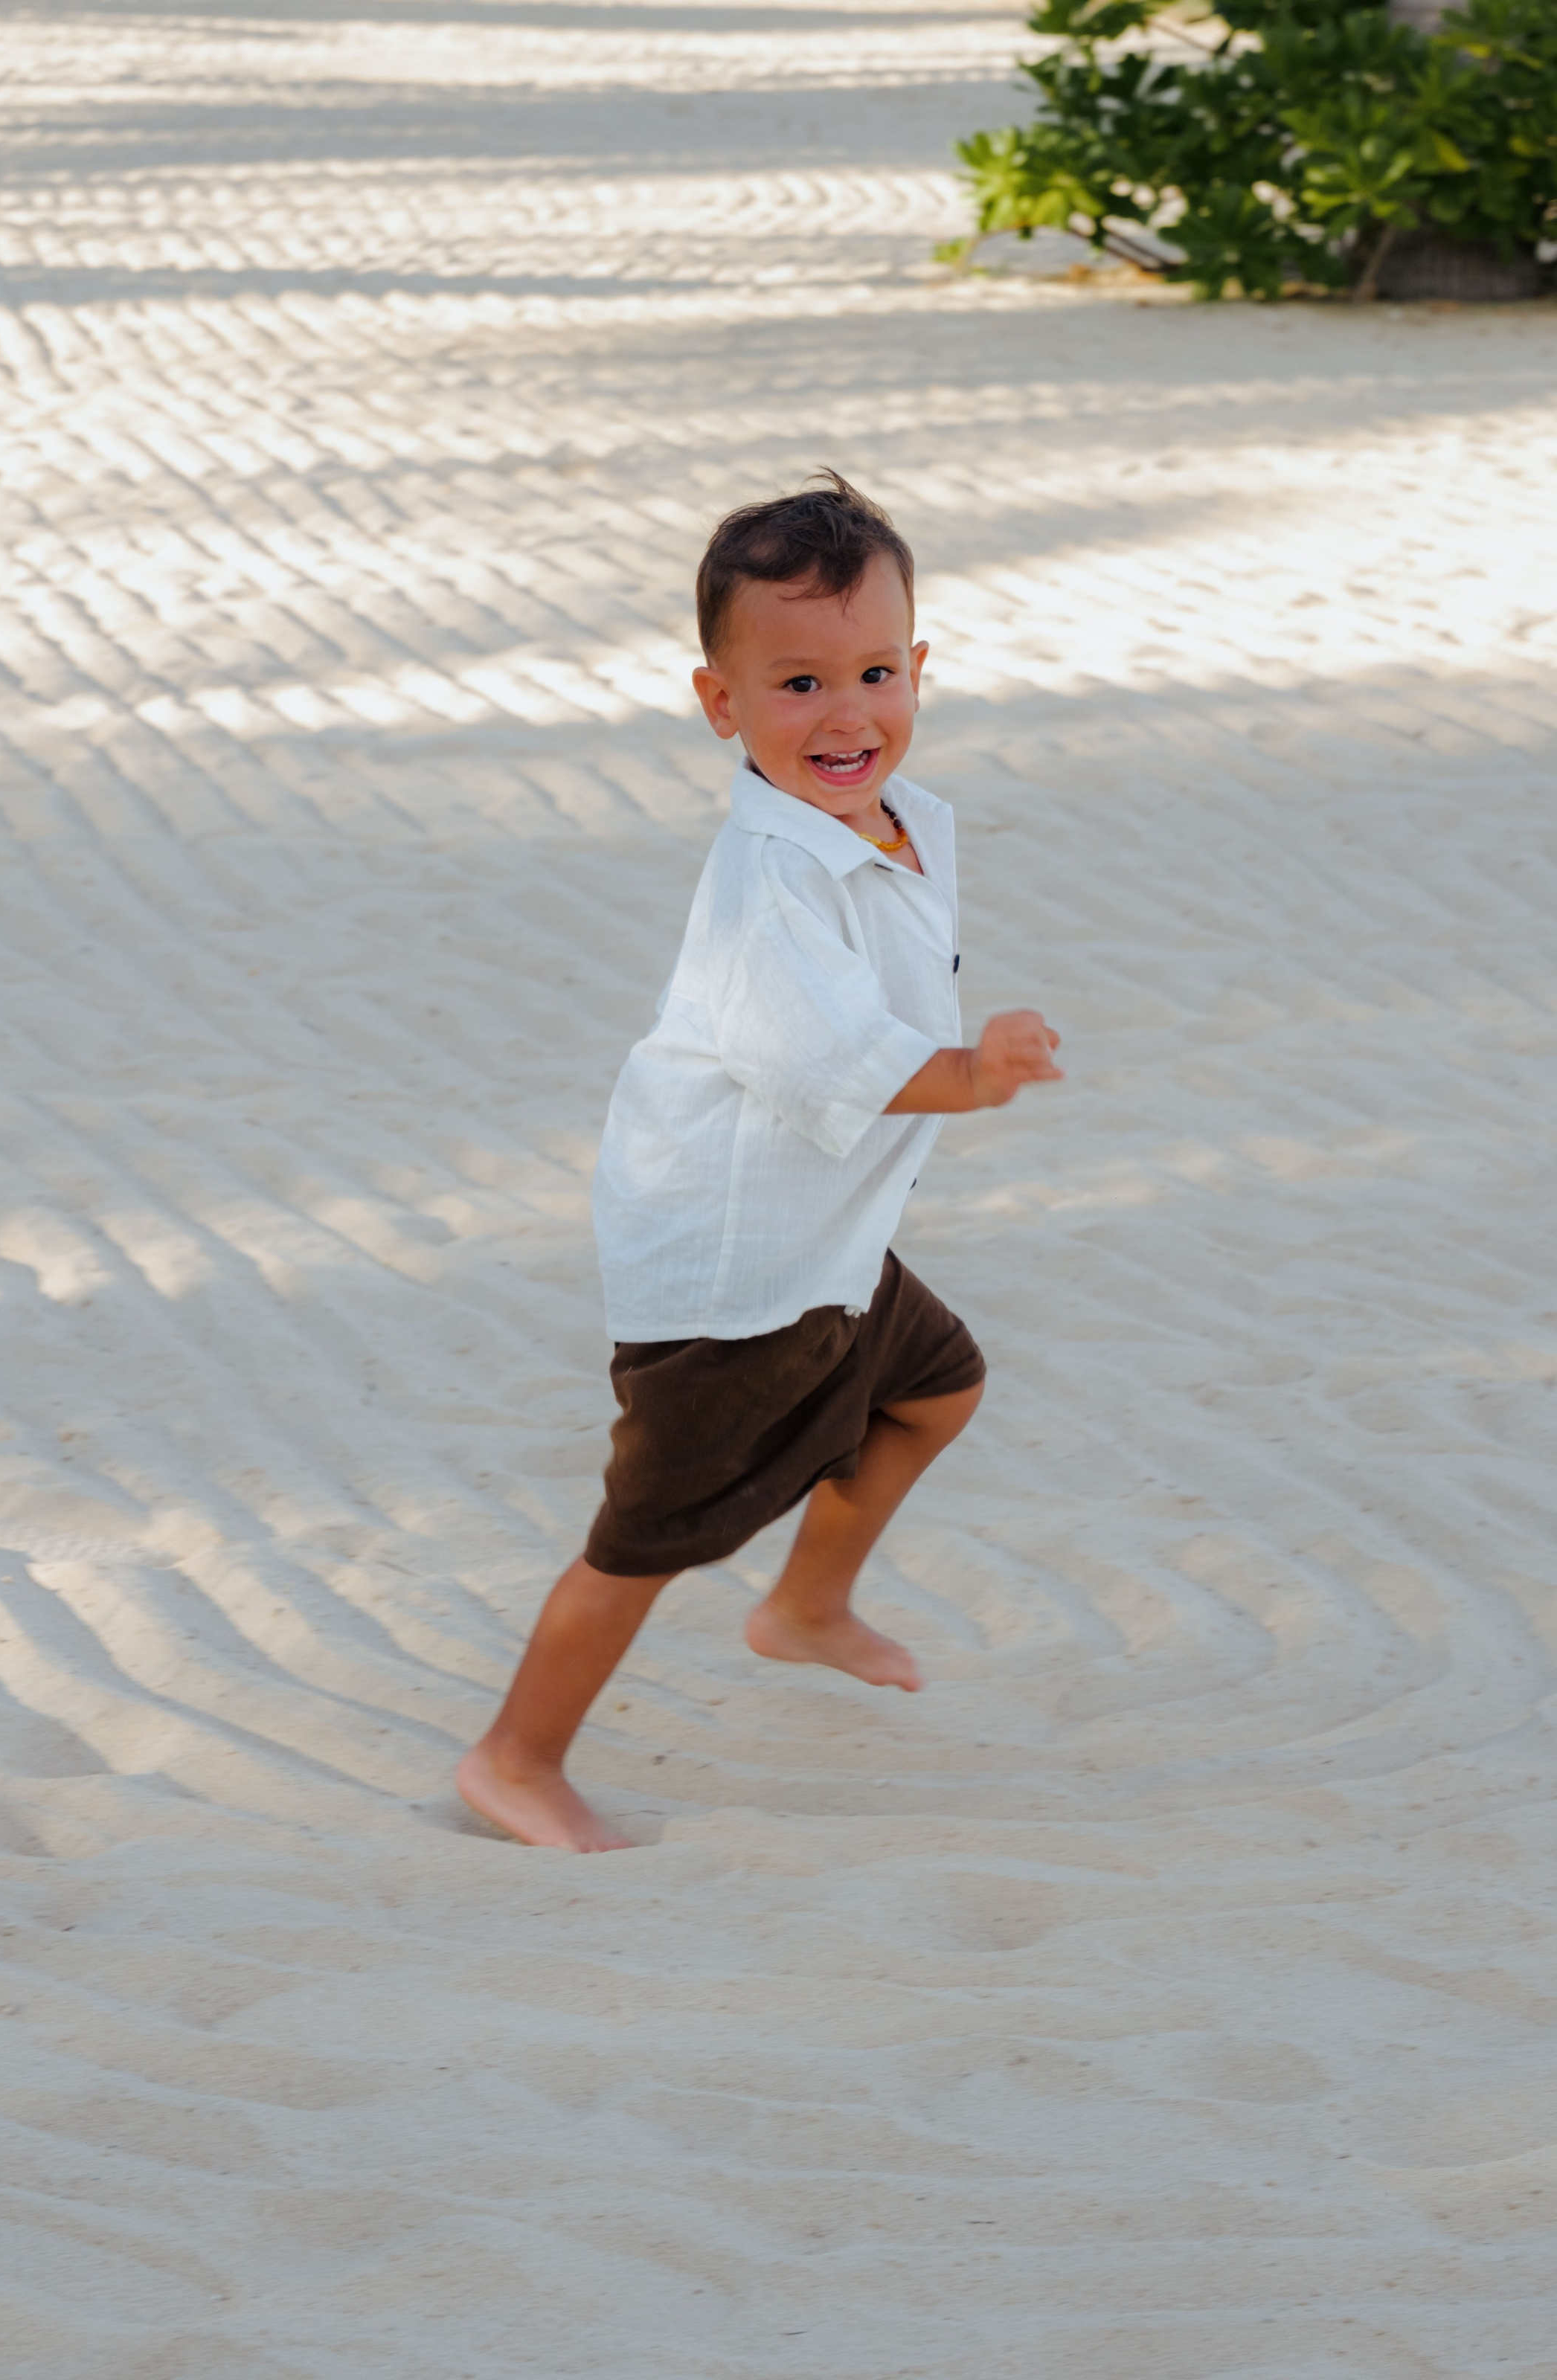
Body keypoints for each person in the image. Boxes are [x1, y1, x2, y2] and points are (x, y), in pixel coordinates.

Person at [457, 471, 1063, 1852]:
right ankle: (514, 1758)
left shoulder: (905, 821)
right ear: (721, 703)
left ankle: (804, 1609)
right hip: (734, 1274)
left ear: (921, 669)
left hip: (829, 1240)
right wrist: (978, 1074)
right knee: (645, 1540)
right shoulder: (767, 889)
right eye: (796, 686)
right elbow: (828, 1062)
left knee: (938, 1389)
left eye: (871, 673)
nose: (845, 716)